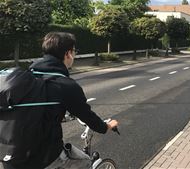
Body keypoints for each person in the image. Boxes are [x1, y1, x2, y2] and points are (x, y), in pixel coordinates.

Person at [1, 32, 118, 169]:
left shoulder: (25, 80)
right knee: (86, 162)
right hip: (43, 159)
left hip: (8, 158)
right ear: (68, 53)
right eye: (74, 51)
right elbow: (89, 118)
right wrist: (106, 127)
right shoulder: (65, 85)